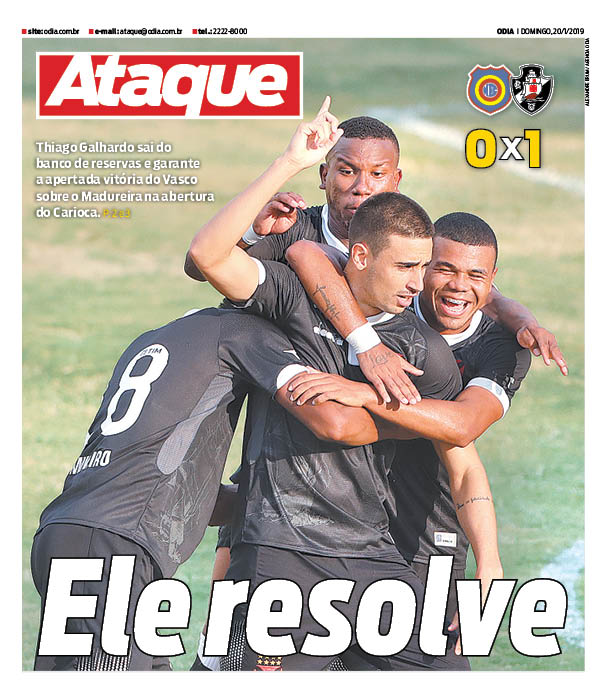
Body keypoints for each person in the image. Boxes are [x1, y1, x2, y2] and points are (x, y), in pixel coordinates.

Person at [187, 98, 500, 670]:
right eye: (405, 268)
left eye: (423, 268)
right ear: (359, 254)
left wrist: (490, 565)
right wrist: (286, 165)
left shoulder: (422, 348)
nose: (419, 285)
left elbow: (461, 449)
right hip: (280, 546)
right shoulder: (289, 291)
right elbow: (211, 257)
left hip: (370, 552)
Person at [31, 307, 380, 671]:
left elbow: (174, 486)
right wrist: (403, 422)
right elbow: (335, 424)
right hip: (115, 546)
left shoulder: (159, 338)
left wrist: (269, 504)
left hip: (72, 529)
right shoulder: (244, 332)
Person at [285, 211, 533, 665]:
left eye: (476, 276)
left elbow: (461, 433)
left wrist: (489, 563)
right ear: (421, 266)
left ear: (492, 280)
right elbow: (304, 254)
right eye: (444, 268)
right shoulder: (377, 302)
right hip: (336, 531)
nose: (458, 287)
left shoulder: (499, 348)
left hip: (429, 540)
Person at [184, 113, 565, 405]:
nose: (362, 187)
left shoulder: (410, 241)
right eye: (347, 171)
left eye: (377, 174)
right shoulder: (290, 225)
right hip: (287, 394)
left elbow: (482, 293)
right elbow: (200, 266)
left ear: (396, 181)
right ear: (324, 174)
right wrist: (252, 232)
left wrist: (526, 323)